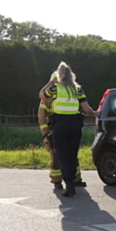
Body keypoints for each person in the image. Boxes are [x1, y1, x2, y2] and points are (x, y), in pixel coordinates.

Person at [45, 62, 95, 197]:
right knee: (72, 155)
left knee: (62, 155)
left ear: (59, 76)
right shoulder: (78, 90)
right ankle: (72, 180)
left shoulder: (54, 88)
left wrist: (51, 81)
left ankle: (69, 186)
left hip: (60, 125)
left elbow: (41, 95)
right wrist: (96, 114)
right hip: (75, 125)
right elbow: (86, 109)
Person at [38, 96, 86, 190]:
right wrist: (46, 134)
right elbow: (42, 116)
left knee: (72, 155)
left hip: (68, 128)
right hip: (54, 130)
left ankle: (76, 179)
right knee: (56, 157)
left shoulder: (70, 93)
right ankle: (57, 181)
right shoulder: (47, 97)